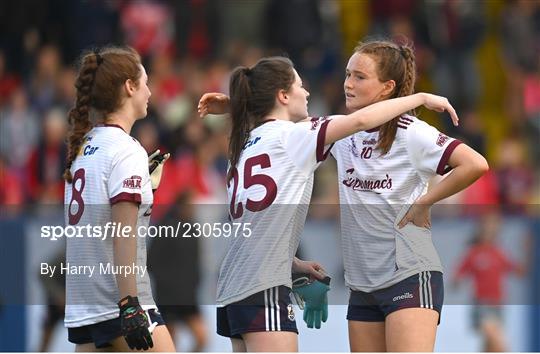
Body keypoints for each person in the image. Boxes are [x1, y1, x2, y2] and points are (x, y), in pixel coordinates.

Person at [198, 55, 459, 352]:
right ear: (283, 95)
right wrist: (421, 97)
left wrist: (292, 263)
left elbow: (255, 227)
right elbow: (360, 120)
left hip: (233, 288)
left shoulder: (247, 144)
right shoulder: (295, 136)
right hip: (264, 286)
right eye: (299, 86)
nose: (307, 93)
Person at [63, 46, 175, 351]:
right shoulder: (126, 149)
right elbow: (122, 234)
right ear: (129, 87)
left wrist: (145, 191)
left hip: (85, 306)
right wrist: (129, 304)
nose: (151, 91)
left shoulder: (84, 147)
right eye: (146, 82)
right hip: (120, 303)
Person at [453, 212, 528, 352]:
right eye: (487, 226)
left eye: (494, 226)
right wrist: (456, 282)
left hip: (498, 304)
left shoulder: (500, 253)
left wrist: (526, 251)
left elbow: (520, 272)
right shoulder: (474, 252)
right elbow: (458, 275)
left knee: (490, 346)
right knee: (498, 341)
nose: (490, 229)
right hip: (481, 303)